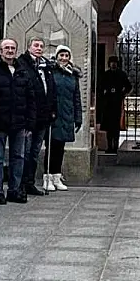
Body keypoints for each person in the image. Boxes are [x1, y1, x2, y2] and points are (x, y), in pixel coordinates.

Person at [0, 39, 37, 204]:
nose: (10, 50)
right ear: (0, 50)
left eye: (12, 48)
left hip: (19, 122)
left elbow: (31, 98)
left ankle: (14, 190)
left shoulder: (22, 71)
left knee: (18, 157)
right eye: (6, 48)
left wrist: (30, 122)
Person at [18, 38, 56, 197]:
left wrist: (53, 110)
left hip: (43, 117)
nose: (39, 48)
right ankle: (20, 184)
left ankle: (30, 182)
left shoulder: (45, 66)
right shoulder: (22, 64)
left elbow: (52, 90)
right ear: (28, 47)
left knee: (34, 153)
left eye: (41, 46)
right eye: (36, 45)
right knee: (24, 152)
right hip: (28, 117)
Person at [47, 45, 84, 191]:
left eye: (66, 55)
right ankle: (47, 176)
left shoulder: (72, 75)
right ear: (56, 57)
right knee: (51, 147)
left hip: (67, 114)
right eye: (61, 55)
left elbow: (77, 97)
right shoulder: (51, 72)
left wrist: (78, 117)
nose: (63, 58)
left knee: (60, 148)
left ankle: (57, 176)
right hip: (54, 115)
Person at [97, 57, 132, 153]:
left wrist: (122, 94)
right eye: (112, 62)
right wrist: (104, 93)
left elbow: (129, 86)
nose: (113, 64)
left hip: (116, 103)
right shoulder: (106, 74)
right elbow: (100, 86)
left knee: (116, 126)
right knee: (108, 127)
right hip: (107, 103)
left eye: (115, 62)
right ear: (109, 63)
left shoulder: (121, 74)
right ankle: (109, 146)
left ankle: (115, 146)